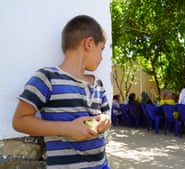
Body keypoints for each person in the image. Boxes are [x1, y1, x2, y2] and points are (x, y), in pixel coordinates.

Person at [12, 15, 111, 169]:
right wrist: (67, 129)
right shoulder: (47, 78)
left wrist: (105, 121)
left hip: (101, 165)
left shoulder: (97, 84)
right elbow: (19, 121)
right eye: (102, 49)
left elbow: (106, 115)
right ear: (89, 43)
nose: (102, 58)